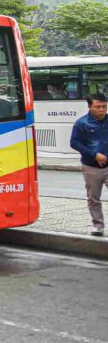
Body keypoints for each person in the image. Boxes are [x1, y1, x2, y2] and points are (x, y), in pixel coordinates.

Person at [69, 92, 108, 236]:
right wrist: (94, 155)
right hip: (91, 167)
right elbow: (74, 143)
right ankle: (98, 226)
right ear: (89, 107)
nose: (102, 110)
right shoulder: (82, 123)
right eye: (98, 107)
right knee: (93, 198)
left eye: (104, 107)